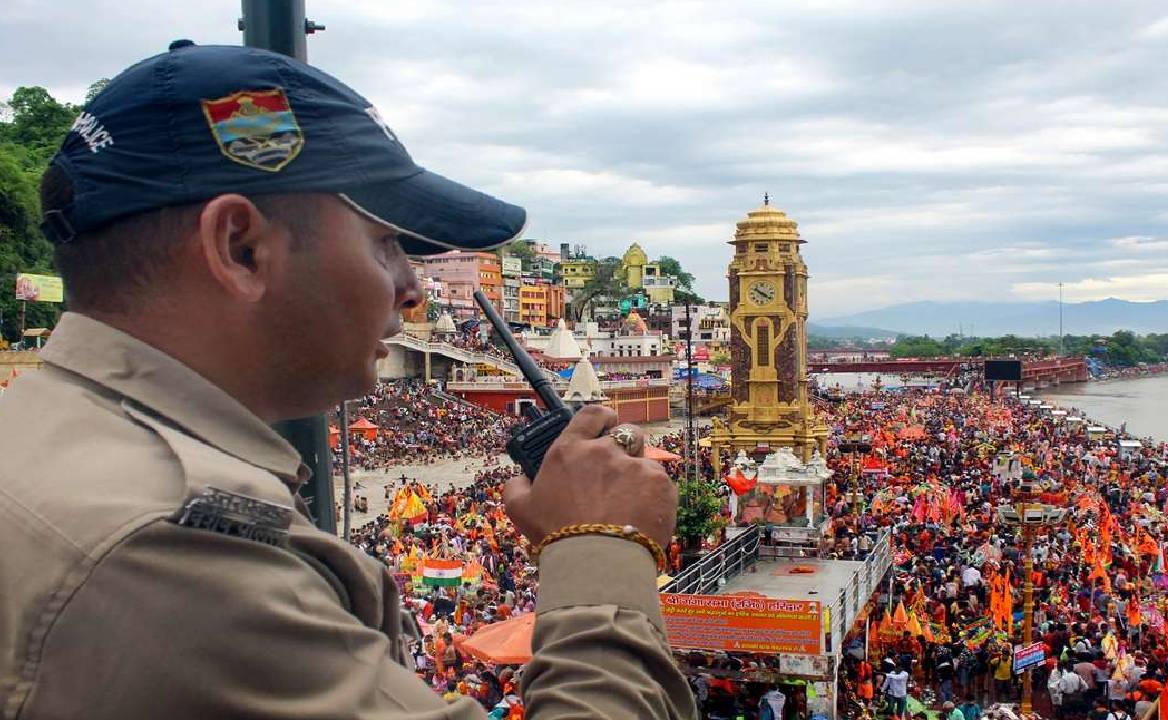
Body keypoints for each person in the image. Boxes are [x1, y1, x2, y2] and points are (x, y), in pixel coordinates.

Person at [0, 43, 693, 719]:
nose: (413, 288)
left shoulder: (41, 438)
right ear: (241, 248)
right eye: (385, 241)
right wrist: (602, 545)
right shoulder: (179, 559)